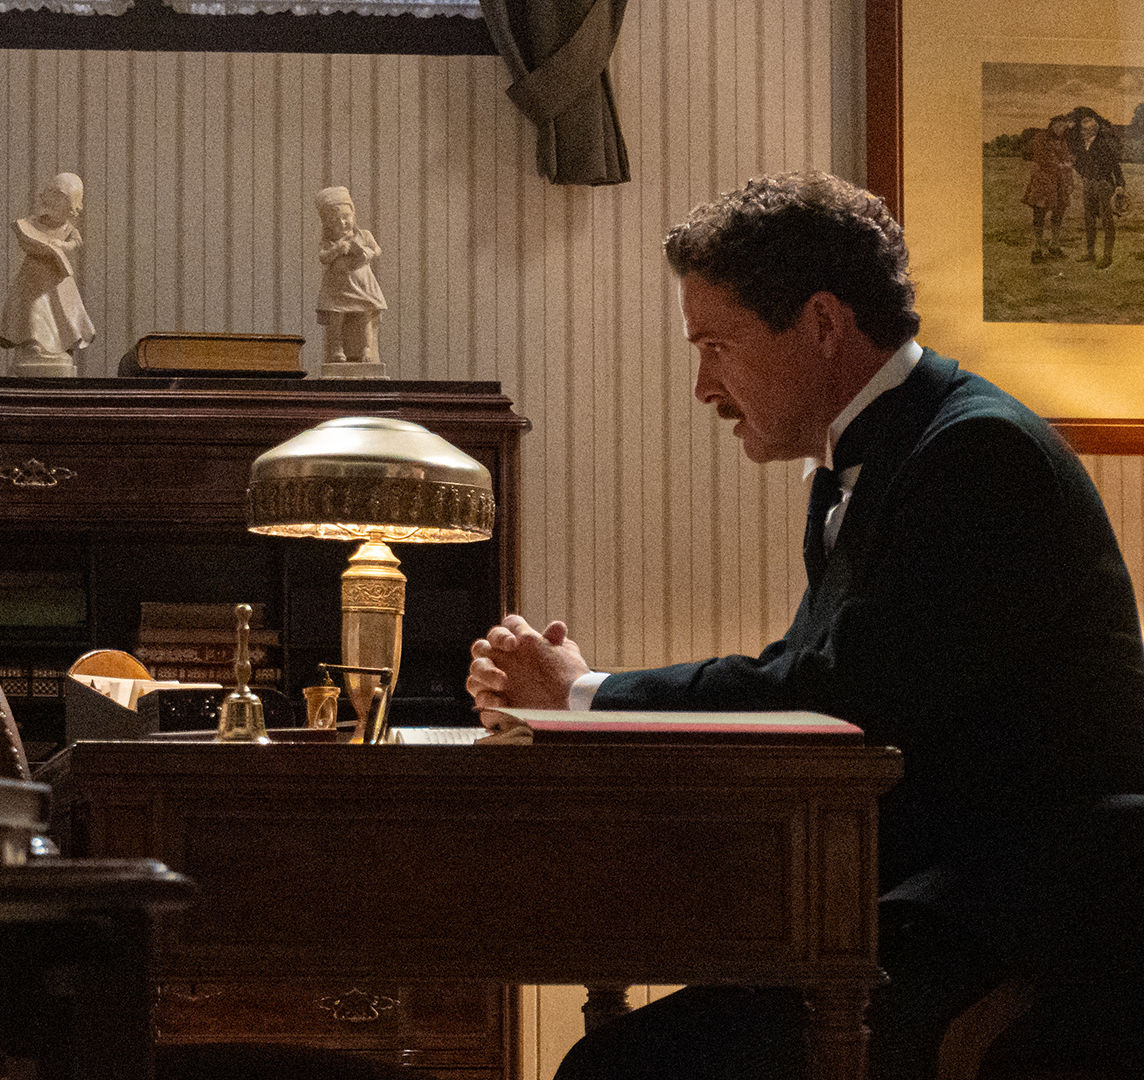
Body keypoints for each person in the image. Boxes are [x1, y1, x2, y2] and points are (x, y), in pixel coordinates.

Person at [466, 173, 1144, 1080]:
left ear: (824, 322)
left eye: (717, 345)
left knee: (612, 1069)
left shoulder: (977, 452)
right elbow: (816, 673)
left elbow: (836, 697)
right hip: (924, 896)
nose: (704, 385)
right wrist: (586, 702)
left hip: (1024, 934)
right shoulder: (883, 453)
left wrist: (586, 695)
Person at [0, 172, 95, 377]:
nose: (54, 201)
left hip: (57, 279)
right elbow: (26, 236)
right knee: (33, 307)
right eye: (52, 194)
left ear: (71, 205)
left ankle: (58, 345)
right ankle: (34, 343)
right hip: (32, 277)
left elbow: (76, 243)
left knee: (59, 312)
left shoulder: (68, 229)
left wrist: (62, 245)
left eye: (60, 197)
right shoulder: (35, 222)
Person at [314, 186, 387, 374]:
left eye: (346, 217)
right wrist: (337, 249)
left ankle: (366, 348)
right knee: (337, 317)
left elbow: (377, 250)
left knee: (365, 315)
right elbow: (323, 257)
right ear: (327, 224)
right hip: (338, 288)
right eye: (335, 220)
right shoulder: (330, 241)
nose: (343, 222)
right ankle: (337, 348)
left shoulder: (364, 235)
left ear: (353, 214)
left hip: (362, 285)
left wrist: (367, 253)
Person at [1071, 108, 1125, 269]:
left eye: (1085, 130)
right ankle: (1090, 253)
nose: (1082, 133)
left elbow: (1116, 167)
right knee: (1089, 219)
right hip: (1089, 185)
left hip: (1104, 185)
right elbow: (1079, 164)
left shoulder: (1105, 144)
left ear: (1093, 129)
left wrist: (1120, 184)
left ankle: (1107, 256)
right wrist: (1083, 174)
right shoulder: (1083, 146)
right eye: (1082, 130)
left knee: (1107, 220)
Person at [1021, 115, 1074, 262]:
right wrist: (1061, 165)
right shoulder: (1041, 138)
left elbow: (1068, 160)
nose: (1060, 129)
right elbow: (1042, 158)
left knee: (1059, 213)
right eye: (1058, 125)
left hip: (1060, 183)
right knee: (1039, 213)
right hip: (1043, 181)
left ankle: (1054, 246)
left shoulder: (1063, 142)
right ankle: (1037, 249)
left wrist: (1070, 182)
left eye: (1063, 126)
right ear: (1052, 125)